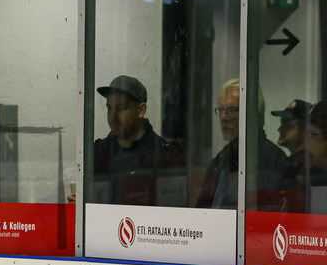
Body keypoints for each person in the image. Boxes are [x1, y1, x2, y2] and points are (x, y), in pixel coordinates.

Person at [195, 79, 294, 211]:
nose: (224, 117)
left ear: (255, 115)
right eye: (221, 109)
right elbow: (203, 212)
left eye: (233, 109)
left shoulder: (276, 163)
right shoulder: (220, 160)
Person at [92, 75, 186, 206]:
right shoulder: (97, 153)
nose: (112, 117)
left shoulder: (165, 155)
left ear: (141, 110)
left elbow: (176, 210)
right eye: (109, 108)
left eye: (121, 107)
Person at [271, 98, 313, 172]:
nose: (279, 129)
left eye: (286, 124)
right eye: (282, 123)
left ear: (303, 130)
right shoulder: (292, 163)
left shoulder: (306, 166)